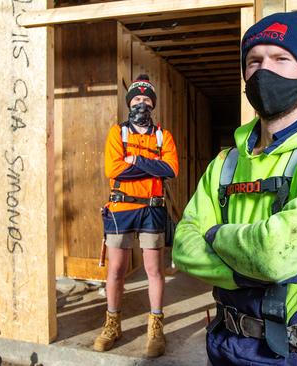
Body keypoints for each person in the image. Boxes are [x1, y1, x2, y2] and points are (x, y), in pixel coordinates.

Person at [173, 11, 297, 365]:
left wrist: (216, 235)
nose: (265, 71)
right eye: (254, 61)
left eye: (281, 58)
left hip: (290, 351)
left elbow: (275, 256)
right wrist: (250, 266)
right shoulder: (226, 162)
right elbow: (183, 247)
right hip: (222, 341)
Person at [94, 74, 179, 358]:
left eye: (146, 99)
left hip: (152, 209)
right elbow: (113, 170)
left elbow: (171, 170)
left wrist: (135, 161)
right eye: (136, 99)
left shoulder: (162, 135)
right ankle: (112, 323)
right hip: (120, 209)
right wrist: (152, 165)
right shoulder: (117, 133)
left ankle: (155, 325)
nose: (141, 103)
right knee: (116, 270)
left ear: (152, 104)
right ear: (129, 102)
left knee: (155, 270)